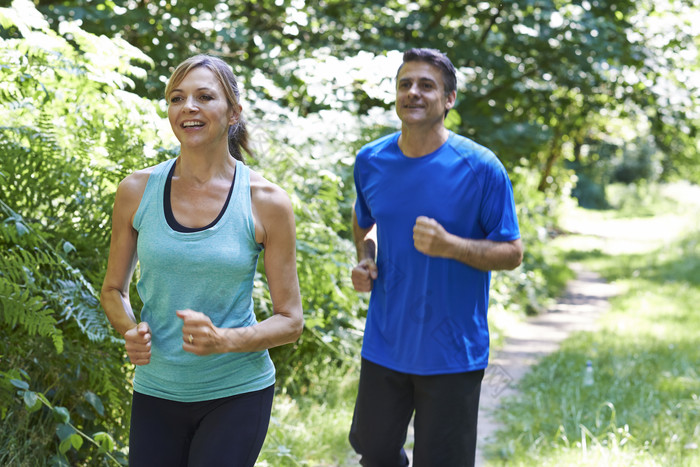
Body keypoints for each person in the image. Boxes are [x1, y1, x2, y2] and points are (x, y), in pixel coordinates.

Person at [100, 54, 304, 467]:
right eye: (177, 98)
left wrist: (224, 340)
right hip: (157, 389)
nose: (188, 107)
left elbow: (291, 321)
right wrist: (130, 329)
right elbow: (112, 290)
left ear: (233, 113)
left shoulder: (266, 201)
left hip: (237, 391)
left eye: (204, 96)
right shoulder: (136, 190)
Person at [349, 48, 523, 467]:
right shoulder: (371, 161)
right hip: (385, 343)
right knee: (372, 451)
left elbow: (512, 253)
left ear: (449, 99)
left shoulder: (481, 168)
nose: (413, 93)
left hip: (452, 351)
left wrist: (451, 246)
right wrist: (366, 257)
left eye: (427, 85)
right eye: (405, 84)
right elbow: (364, 222)